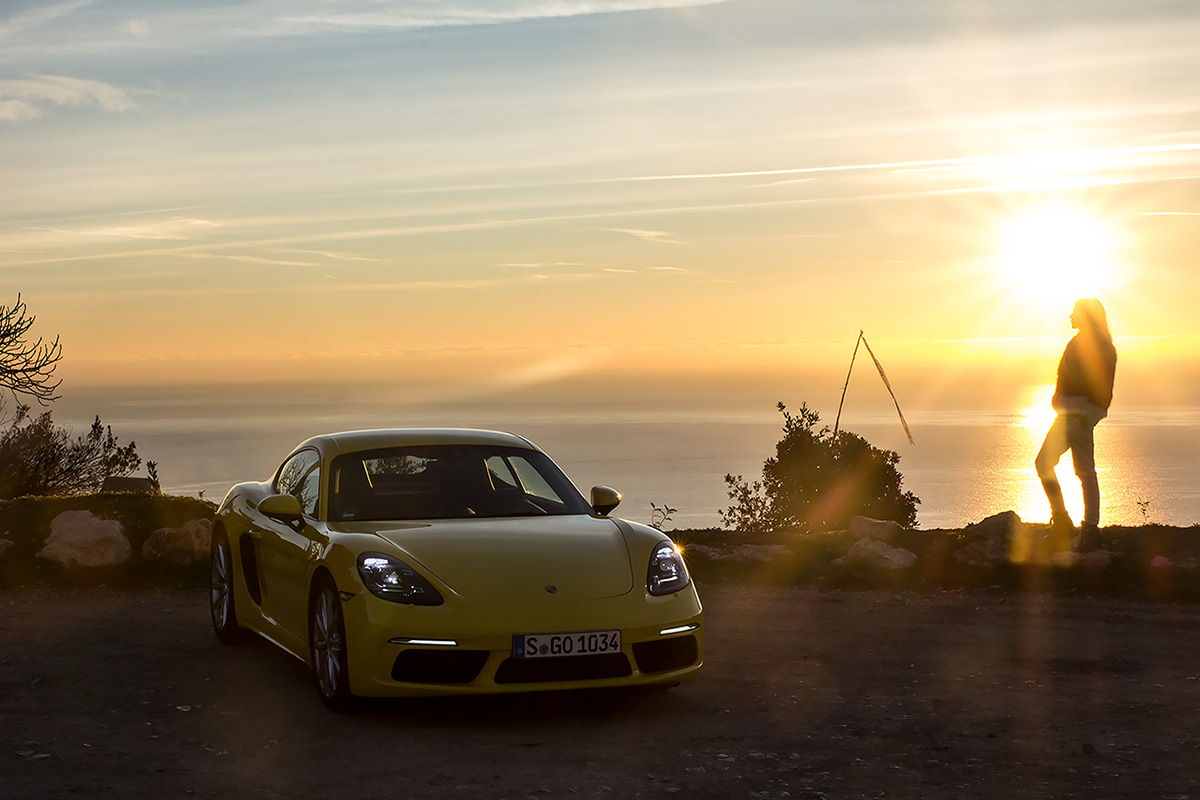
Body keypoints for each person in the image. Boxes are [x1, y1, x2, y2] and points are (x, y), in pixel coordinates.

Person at [1035, 298, 1118, 552]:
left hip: (1078, 416)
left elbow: (1102, 388)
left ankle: (1089, 529)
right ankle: (1064, 520)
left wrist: (1087, 414)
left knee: (1084, 471)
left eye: (1074, 312)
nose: (1070, 316)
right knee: (1046, 464)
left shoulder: (1100, 346)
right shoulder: (1080, 341)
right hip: (1068, 415)